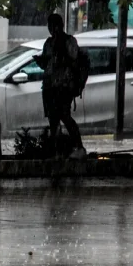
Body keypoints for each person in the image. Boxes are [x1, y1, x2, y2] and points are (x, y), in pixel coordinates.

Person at [33, 14, 86, 160]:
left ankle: (79, 147)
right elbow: (47, 64)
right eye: (50, 26)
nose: (51, 29)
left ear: (60, 25)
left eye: (54, 26)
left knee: (65, 116)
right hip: (50, 86)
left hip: (64, 86)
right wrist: (41, 61)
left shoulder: (69, 41)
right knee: (53, 119)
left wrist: (61, 52)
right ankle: (57, 151)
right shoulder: (48, 43)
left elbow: (74, 61)